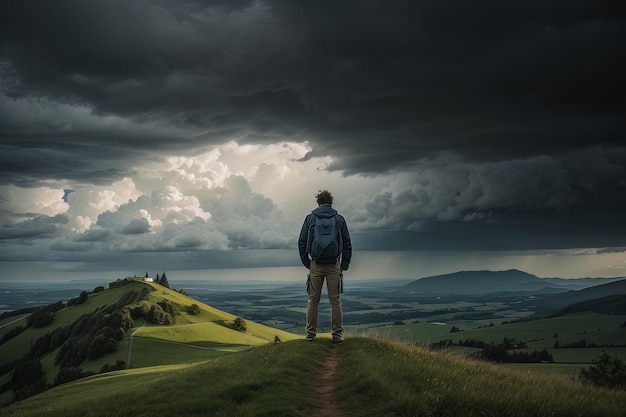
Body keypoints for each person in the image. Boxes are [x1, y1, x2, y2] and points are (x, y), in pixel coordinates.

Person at [298, 189, 352, 343]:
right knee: (335, 301)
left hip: (315, 264)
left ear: (318, 203)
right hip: (334, 264)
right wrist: (344, 265)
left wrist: (308, 263)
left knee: (312, 300)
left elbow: (301, 242)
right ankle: (337, 335)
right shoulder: (339, 219)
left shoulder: (310, 219)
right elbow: (347, 243)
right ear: (331, 202)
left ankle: (310, 335)